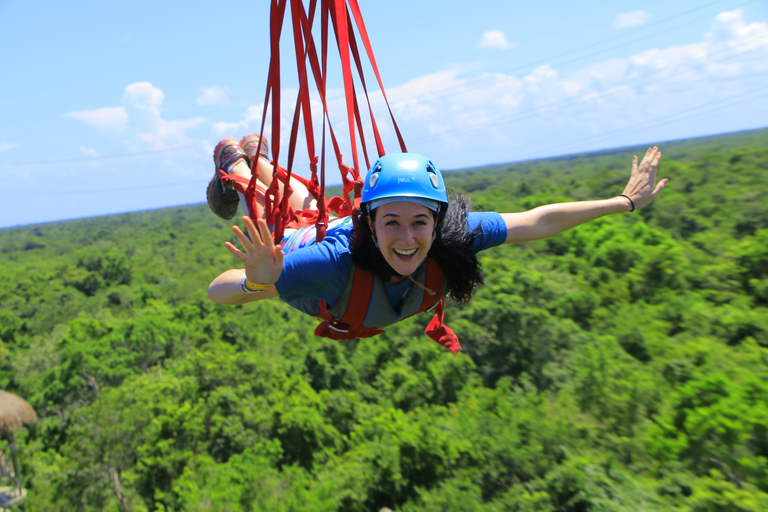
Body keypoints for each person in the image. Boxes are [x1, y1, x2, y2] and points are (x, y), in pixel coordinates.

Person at [207, 134, 667, 352]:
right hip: (304, 252)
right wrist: (256, 281)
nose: (407, 239)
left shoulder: (453, 238)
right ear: (368, 221)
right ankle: (238, 161)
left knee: (303, 198)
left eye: (419, 223)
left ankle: (260, 155)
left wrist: (622, 202)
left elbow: (538, 220)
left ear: (438, 221)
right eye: (392, 223)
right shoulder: (329, 264)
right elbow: (219, 290)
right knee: (271, 210)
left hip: (352, 263)